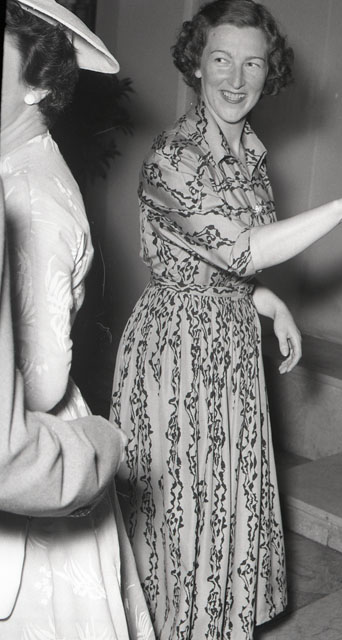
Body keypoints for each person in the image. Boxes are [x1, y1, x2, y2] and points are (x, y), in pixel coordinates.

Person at [108, 1, 342, 638]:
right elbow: (242, 250)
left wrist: (263, 301)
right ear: (196, 65)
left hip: (230, 343)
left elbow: (218, 258)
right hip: (178, 350)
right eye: (221, 59)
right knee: (182, 512)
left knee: (225, 503)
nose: (236, 77)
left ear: (268, 71)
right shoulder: (174, 155)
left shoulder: (249, 151)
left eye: (253, 63)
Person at [0, 1, 153, 637]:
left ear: (37, 85)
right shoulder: (15, 167)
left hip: (31, 452)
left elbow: (41, 380)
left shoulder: (31, 193)